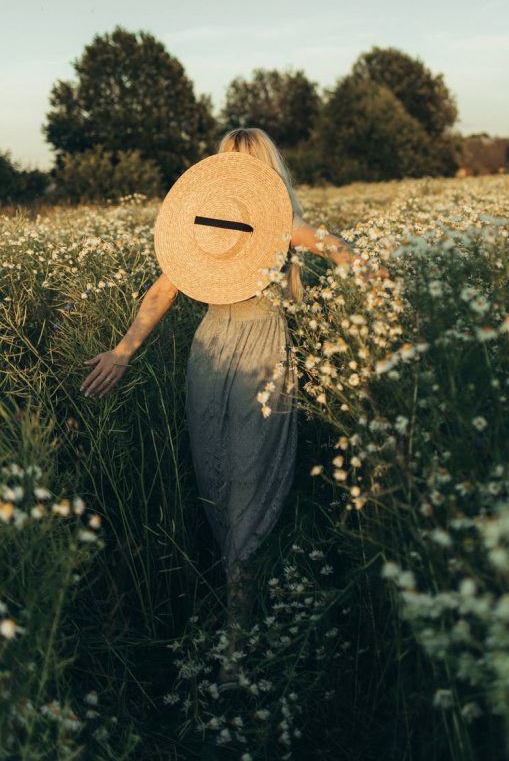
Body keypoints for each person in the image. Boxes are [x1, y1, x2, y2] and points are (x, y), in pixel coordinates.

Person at [79, 127, 388, 683]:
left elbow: (335, 247)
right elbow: (162, 289)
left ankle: (236, 633)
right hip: (213, 354)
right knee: (217, 472)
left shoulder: (282, 225)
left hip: (257, 354)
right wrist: (122, 351)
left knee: (247, 473)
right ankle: (236, 591)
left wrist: (374, 280)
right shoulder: (208, 226)